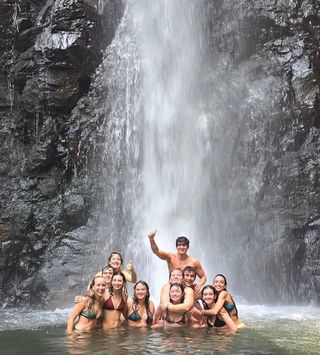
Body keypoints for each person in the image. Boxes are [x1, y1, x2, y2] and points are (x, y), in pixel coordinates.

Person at [148, 230, 206, 295]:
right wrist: (151, 239)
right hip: (173, 290)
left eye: (184, 245)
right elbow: (156, 251)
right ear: (176, 247)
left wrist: (199, 285)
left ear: (187, 247)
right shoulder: (170, 257)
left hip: (187, 290)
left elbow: (203, 277)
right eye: (179, 245)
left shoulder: (194, 262)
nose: (181, 247)